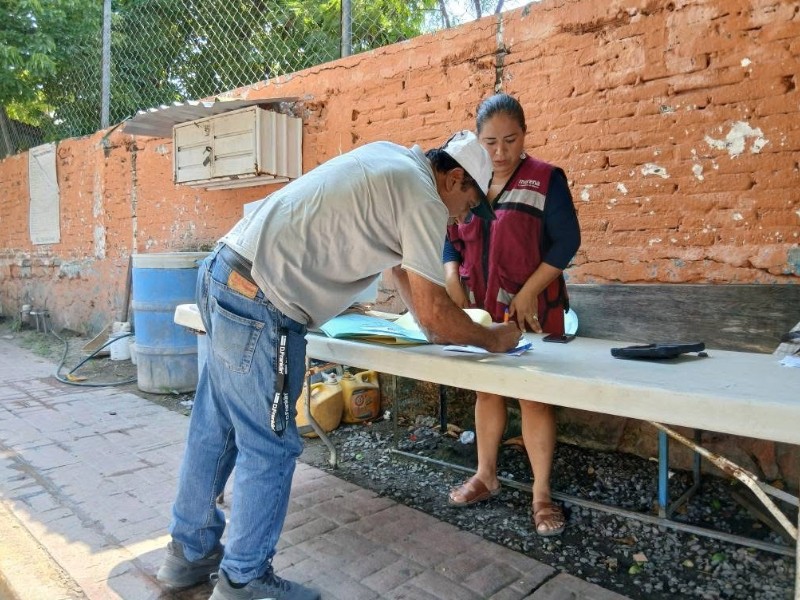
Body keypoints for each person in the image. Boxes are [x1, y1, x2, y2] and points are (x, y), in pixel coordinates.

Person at [155, 130, 523, 600]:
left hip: (225, 272)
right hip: (265, 299)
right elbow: (435, 314)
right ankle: (244, 579)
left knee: (216, 428)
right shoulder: (425, 198)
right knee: (270, 446)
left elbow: (403, 276)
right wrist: (491, 338)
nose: (464, 218)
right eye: (470, 205)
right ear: (453, 179)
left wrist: (427, 323)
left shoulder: (395, 159)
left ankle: (188, 555)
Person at [443, 94, 581, 537]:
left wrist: (527, 294)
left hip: (535, 313)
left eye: (510, 140)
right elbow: (450, 237)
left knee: (534, 397)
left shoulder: (546, 179)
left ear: (524, 135)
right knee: (486, 392)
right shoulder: (466, 182)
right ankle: (486, 475)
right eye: (489, 143)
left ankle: (541, 494)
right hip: (482, 311)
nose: (500, 153)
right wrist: (451, 276)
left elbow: (566, 243)